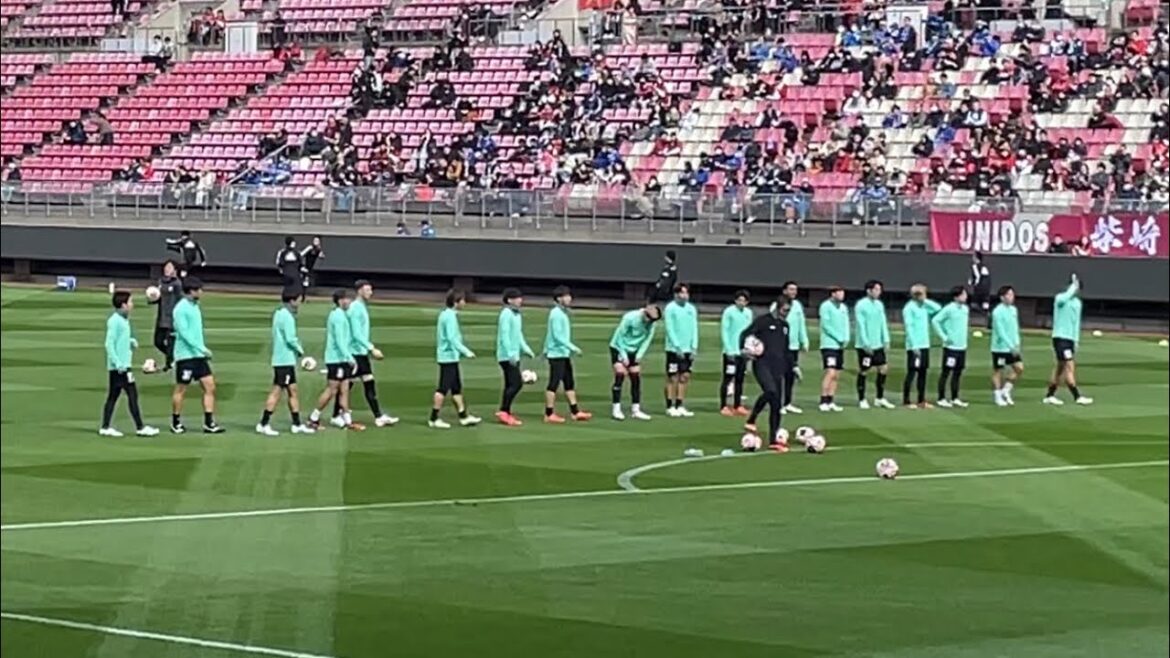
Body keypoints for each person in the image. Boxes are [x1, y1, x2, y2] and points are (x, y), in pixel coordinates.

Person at [335, 280, 397, 427]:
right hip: (355, 353)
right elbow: (356, 334)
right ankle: (336, 414)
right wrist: (371, 348)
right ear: (360, 291)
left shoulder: (360, 307)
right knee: (348, 385)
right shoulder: (356, 308)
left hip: (360, 352)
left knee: (366, 382)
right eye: (368, 290)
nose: (371, 293)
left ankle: (378, 416)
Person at [100, 291, 158, 437]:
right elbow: (109, 344)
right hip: (121, 368)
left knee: (113, 396)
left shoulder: (123, 320)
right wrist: (118, 363)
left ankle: (105, 426)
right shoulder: (115, 321)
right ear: (123, 305)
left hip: (121, 366)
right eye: (130, 302)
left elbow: (120, 340)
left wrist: (130, 341)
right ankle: (140, 427)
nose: (132, 305)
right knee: (132, 395)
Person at [170, 277, 223, 433]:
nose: (201, 292)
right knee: (181, 389)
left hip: (198, 356)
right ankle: (176, 422)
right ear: (191, 291)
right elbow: (184, 334)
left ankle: (209, 422)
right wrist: (202, 349)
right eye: (198, 289)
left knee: (210, 387)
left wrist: (201, 351)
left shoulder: (195, 306)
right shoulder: (180, 309)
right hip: (185, 356)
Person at [741, 297, 794, 451]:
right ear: (777, 307)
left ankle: (773, 440)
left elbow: (786, 349)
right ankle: (752, 418)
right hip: (762, 364)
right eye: (784, 310)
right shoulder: (763, 321)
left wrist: (793, 366)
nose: (786, 313)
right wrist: (745, 350)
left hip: (779, 367)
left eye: (788, 311)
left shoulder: (785, 326)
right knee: (770, 391)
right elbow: (745, 334)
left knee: (776, 404)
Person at [257, 294, 315, 435]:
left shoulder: (279, 314)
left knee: (292, 391)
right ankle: (263, 424)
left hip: (283, 360)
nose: (300, 303)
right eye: (299, 300)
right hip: (284, 360)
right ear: (292, 300)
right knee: (277, 392)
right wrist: (300, 350)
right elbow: (290, 338)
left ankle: (296, 424)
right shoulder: (287, 317)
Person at [308, 290, 363, 431]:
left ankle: (348, 421)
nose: (350, 302)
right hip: (336, 360)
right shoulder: (338, 316)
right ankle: (313, 418)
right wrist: (349, 358)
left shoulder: (341, 315)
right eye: (347, 299)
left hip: (341, 359)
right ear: (340, 301)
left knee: (344, 390)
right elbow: (339, 341)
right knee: (332, 390)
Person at [430, 289, 482, 429]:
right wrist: (466, 352)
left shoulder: (446, 315)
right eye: (462, 300)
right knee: (443, 388)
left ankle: (463, 416)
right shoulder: (450, 317)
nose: (464, 303)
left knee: (456, 388)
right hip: (448, 357)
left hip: (450, 357)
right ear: (455, 302)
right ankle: (433, 418)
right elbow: (452, 338)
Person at [542, 286, 591, 423]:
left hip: (562, 353)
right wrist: (573, 347)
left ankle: (575, 411)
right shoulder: (556, 314)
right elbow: (557, 336)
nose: (569, 298)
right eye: (566, 296)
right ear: (559, 299)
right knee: (554, 383)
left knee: (569, 382)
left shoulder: (562, 313)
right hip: (557, 354)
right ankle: (549, 413)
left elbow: (550, 334)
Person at [1044, 274, 1093, 405]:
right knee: (1069, 365)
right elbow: (1063, 300)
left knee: (1060, 368)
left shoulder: (1077, 303)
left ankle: (1050, 395)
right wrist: (1072, 286)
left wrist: (1076, 340)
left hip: (1070, 338)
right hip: (1060, 337)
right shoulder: (1060, 298)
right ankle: (1077, 396)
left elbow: (1075, 322)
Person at [609, 302, 661, 420]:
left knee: (635, 376)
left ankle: (636, 409)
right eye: (648, 318)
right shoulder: (630, 317)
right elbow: (619, 337)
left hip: (634, 349)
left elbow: (647, 340)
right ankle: (616, 409)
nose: (649, 322)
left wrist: (639, 355)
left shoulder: (652, 323)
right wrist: (623, 355)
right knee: (620, 374)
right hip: (618, 347)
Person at [495, 288, 536, 426]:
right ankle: (503, 410)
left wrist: (525, 348)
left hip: (514, 355)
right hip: (506, 356)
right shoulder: (506, 314)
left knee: (510, 384)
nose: (520, 300)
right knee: (516, 383)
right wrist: (510, 353)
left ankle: (505, 412)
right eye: (517, 298)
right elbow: (504, 335)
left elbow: (518, 335)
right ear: (509, 300)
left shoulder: (517, 315)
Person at [854, 280, 895, 409]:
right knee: (864, 370)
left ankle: (880, 398)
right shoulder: (861, 305)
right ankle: (862, 399)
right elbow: (861, 325)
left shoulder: (879, 305)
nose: (879, 292)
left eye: (879, 289)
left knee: (883, 368)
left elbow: (883, 323)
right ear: (869, 290)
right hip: (864, 345)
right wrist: (866, 343)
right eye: (876, 289)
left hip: (878, 344)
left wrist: (886, 340)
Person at [901, 284, 942, 408]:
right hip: (915, 346)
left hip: (925, 344)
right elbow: (909, 328)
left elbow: (938, 308)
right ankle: (906, 400)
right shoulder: (909, 308)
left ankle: (921, 400)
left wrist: (925, 301)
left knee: (923, 373)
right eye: (923, 293)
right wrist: (914, 346)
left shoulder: (924, 306)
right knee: (912, 372)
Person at [931, 286, 971, 408]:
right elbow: (935, 321)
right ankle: (941, 398)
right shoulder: (949, 309)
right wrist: (944, 337)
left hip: (962, 346)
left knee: (957, 373)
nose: (966, 296)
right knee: (946, 372)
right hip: (951, 348)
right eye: (963, 294)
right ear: (956, 296)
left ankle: (955, 397)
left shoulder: (965, 309)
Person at [663, 283, 699, 417]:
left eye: (687, 293)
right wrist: (676, 346)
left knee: (684, 377)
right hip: (673, 349)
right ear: (676, 294)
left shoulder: (691, 309)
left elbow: (694, 328)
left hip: (688, 348)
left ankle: (680, 404)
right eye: (682, 293)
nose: (685, 296)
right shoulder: (670, 308)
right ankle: (669, 406)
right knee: (672, 377)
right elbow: (669, 328)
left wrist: (694, 346)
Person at [719, 289, 753, 415]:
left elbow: (749, 332)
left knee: (740, 379)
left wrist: (749, 349)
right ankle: (723, 406)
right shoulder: (729, 312)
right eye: (739, 300)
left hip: (742, 352)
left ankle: (737, 405)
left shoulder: (748, 313)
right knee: (728, 379)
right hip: (730, 352)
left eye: (744, 301)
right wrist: (729, 349)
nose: (741, 303)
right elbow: (725, 331)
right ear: (735, 300)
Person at [817, 287, 850, 412]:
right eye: (839, 293)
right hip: (829, 344)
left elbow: (846, 324)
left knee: (837, 374)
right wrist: (838, 337)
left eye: (843, 293)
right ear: (833, 294)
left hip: (840, 346)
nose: (842, 295)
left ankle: (831, 400)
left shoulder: (843, 308)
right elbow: (826, 325)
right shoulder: (825, 306)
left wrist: (846, 338)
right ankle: (823, 400)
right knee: (830, 372)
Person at [990, 285, 1024, 407]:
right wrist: (1010, 345)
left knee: (1019, 368)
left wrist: (1017, 343)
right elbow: (1000, 331)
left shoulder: (1014, 310)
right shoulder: (997, 312)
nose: (1011, 297)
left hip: (1013, 346)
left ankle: (1006, 390)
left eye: (1012, 294)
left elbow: (1015, 328)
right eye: (1009, 295)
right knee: (998, 370)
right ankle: (997, 395)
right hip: (1000, 347)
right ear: (1002, 297)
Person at [778, 281, 808, 413]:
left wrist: (804, 340)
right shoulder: (777, 305)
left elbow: (801, 324)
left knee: (790, 376)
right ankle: (778, 403)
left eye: (795, 290)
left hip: (793, 345)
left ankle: (787, 402)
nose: (793, 292)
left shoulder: (798, 306)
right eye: (791, 289)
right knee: (779, 375)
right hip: (780, 346)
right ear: (784, 291)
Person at [149, 260, 182, 371]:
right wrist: (152, 298)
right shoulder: (160, 282)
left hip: (172, 318)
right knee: (158, 342)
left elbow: (180, 299)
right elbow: (158, 299)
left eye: (169, 267)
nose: (167, 269)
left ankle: (169, 363)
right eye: (166, 267)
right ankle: (173, 357)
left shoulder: (177, 284)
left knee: (170, 341)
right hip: (161, 317)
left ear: (175, 270)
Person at [276, 236, 306, 300]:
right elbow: (280, 263)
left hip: (291, 273)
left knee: (292, 287)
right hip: (291, 273)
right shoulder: (284, 252)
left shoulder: (295, 253)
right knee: (292, 287)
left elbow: (300, 263)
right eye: (293, 242)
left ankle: (292, 298)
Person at [968, 251, 992, 326]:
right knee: (985, 305)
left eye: (973, 256)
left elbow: (978, 277)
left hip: (979, 289)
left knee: (974, 304)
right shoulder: (984, 266)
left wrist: (972, 282)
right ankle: (988, 320)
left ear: (976, 257)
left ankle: (980, 319)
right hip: (987, 289)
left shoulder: (975, 266)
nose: (972, 258)